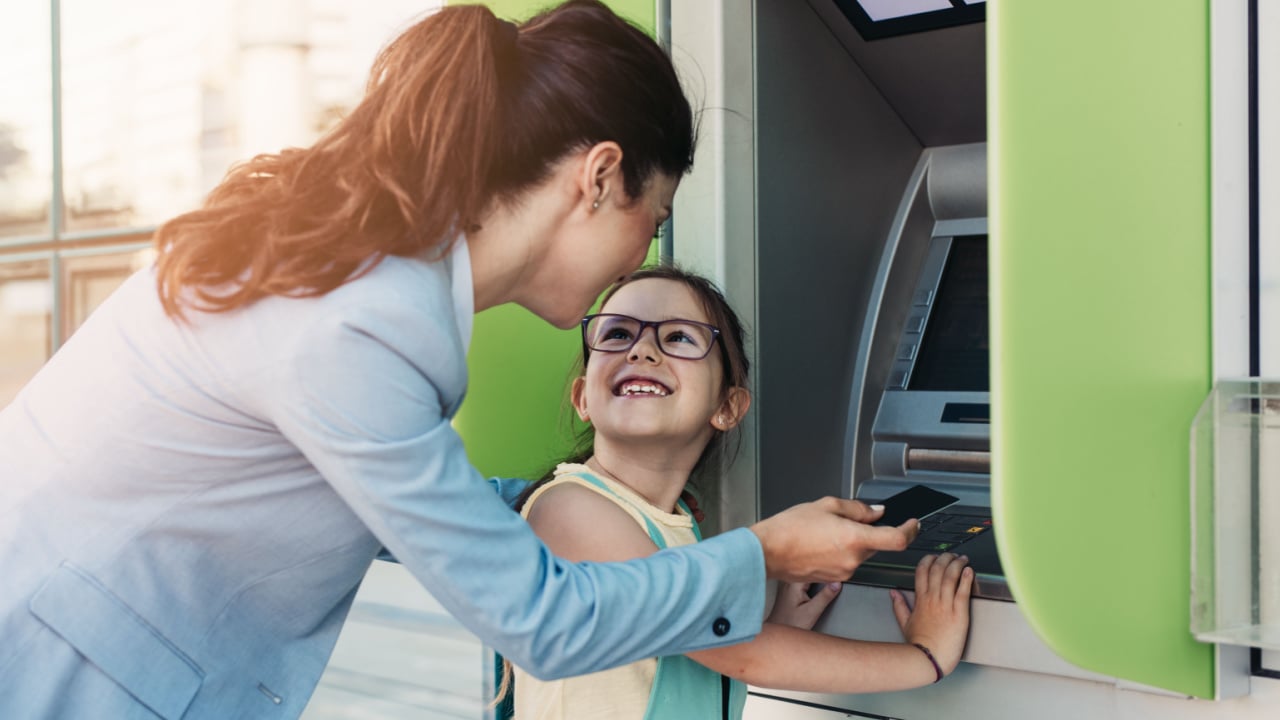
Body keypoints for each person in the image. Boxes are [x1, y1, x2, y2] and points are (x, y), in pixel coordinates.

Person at [0, 2, 920, 718]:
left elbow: (373, 476)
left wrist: (552, 499)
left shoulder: (357, 269)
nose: (643, 259)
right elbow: (545, 621)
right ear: (597, 178)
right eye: (655, 217)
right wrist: (762, 551)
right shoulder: (359, 321)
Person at [508, 266, 973, 719]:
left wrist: (780, 629)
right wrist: (925, 658)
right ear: (583, 398)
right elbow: (737, 655)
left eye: (677, 337)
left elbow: (689, 661)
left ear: (727, 407)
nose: (642, 350)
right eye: (616, 334)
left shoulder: (674, 526)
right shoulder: (571, 509)